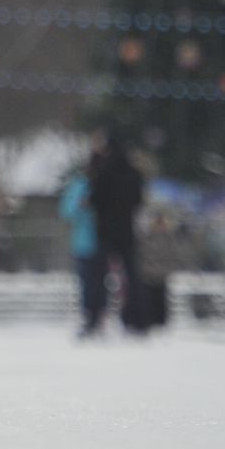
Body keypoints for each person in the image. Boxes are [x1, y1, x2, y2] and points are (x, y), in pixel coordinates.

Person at [89, 128, 146, 334]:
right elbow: (139, 201)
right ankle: (137, 319)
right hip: (127, 230)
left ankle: (96, 318)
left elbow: (95, 200)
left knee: (99, 277)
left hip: (105, 231)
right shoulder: (135, 174)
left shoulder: (103, 172)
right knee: (132, 276)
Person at [61, 153, 104, 338]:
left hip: (103, 242)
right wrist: (80, 206)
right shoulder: (78, 185)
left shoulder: (105, 185)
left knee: (101, 283)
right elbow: (66, 212)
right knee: (86, 283)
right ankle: (88, 317)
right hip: (83, 244)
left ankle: (99, 318)